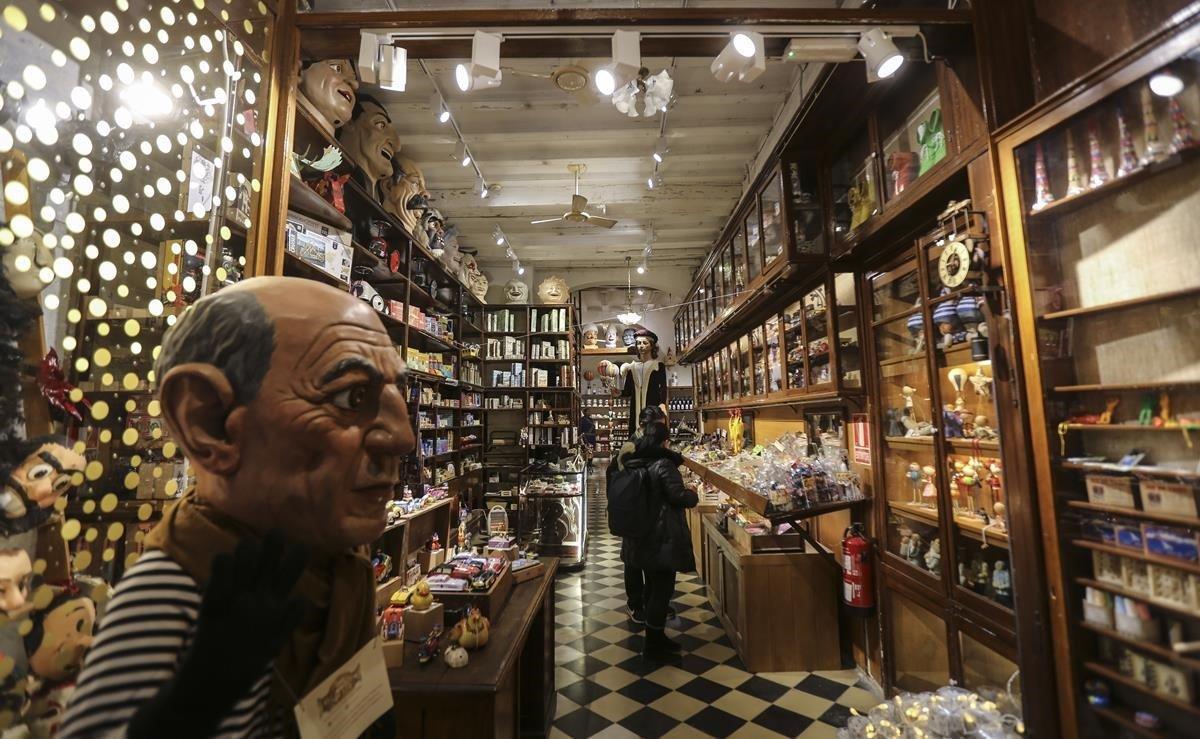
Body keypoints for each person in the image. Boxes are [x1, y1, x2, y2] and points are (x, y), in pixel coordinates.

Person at [61, 276, 415, 738]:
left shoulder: (333, 570)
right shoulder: (180, 593)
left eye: (396, 395)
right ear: (209, 423)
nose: (403, 438)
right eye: (352, 397)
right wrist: (198, 697)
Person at [615, 421, 697, 661]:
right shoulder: (664, 464)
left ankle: (656, 637)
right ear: (665, 441)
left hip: (640, 535)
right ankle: (653, 644)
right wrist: (693, 494)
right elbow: (678, 496)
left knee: (653, 587)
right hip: (660, 538)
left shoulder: (634, 459)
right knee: (662, 590)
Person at [611, 329, 667, 437]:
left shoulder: (658, 365)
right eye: (638, 343)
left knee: (652, 436)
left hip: (652, 406)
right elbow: (628, 390)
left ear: (651, 346)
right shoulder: (632, 367)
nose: (641, 346)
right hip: (635, 409)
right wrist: (619, 393)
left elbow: (663, 387)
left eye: (645, 343)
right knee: (636, 438)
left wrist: (662, 403)